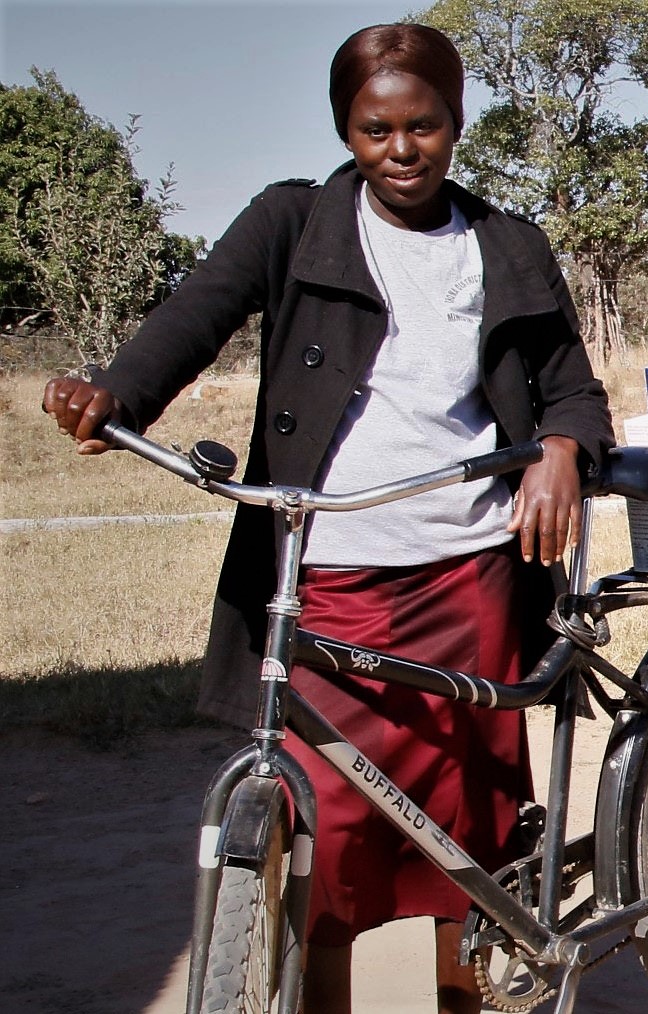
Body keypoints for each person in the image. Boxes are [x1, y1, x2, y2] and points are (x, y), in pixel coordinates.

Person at [40, 24, 611, 1014]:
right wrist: (116, 394)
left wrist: (561, 452)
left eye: (422, 124)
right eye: (374, 128)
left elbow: (571, 390)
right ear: (345, 130)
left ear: (456, 121)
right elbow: (193, 314)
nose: (401, 150)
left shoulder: (505, 245)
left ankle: (465, 1000)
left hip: (467, 577)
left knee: (460, 836)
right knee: (324, 845)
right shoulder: (291, 224)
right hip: (329, 585)